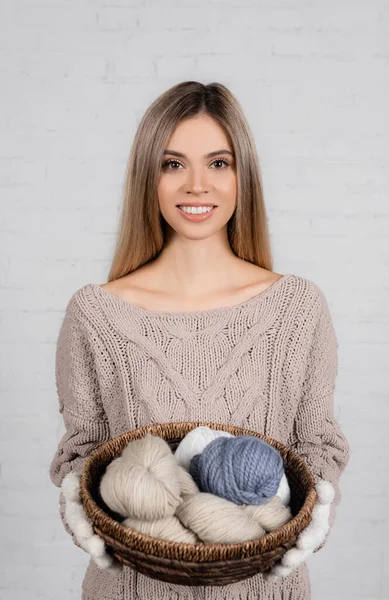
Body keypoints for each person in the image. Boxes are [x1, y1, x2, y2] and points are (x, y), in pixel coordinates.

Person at [49, 81, 350, 600]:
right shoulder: (95, 314)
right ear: (150, 177)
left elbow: (315, 443)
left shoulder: (297, 309)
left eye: (218, 163)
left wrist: (316, 508)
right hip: (131, 589)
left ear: (242, 177)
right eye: (172, 164)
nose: (196, 185)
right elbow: (85, 451)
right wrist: (80, 501)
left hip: (265, 590)